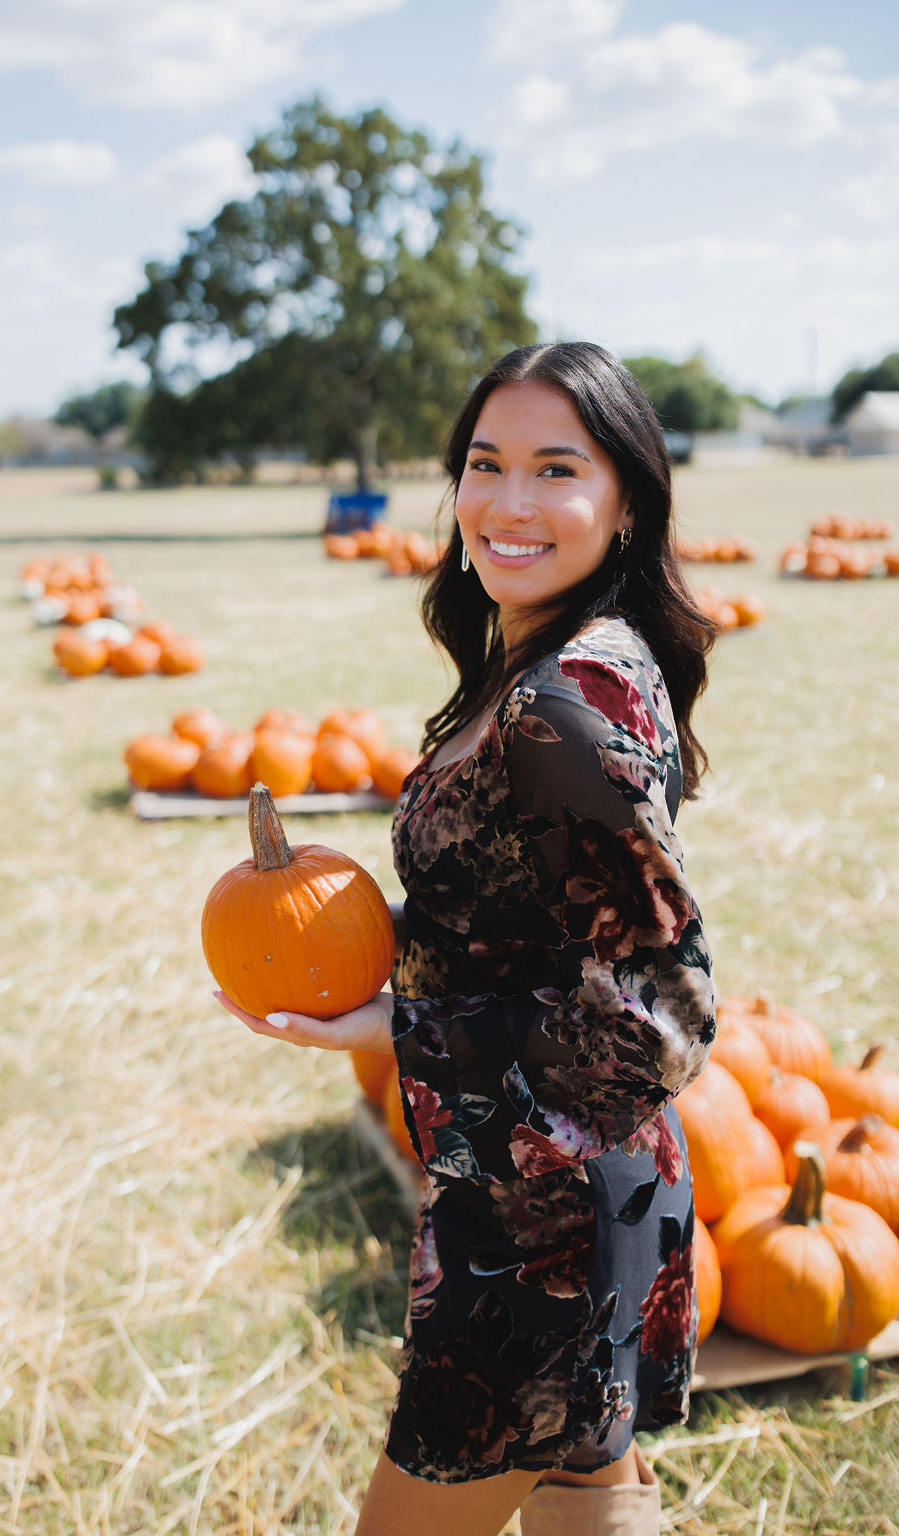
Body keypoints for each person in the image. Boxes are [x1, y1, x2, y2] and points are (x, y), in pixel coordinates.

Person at [217, 341, 716, 1536]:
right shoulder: (554, 654)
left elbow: (659, 1012)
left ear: (626, 499)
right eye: (484, 464)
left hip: (548, 1211)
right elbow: (538, 912)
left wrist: (402, 1021)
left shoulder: (558, 704)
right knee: (585, 1480)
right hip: (563, 1177)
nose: (507, 502)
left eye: (557, 469)